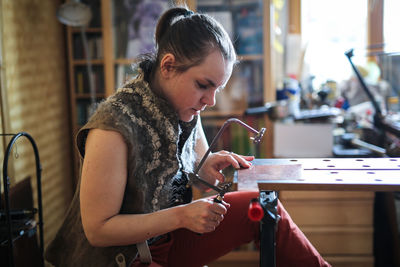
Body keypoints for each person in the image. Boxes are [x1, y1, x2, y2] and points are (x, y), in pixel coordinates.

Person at [45, 5, 331, 267]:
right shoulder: (113, 126)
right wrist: (182, 215)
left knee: (265, 208)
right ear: (168, 66)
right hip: (121, 256)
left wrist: (204, 168)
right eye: (203, 85)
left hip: (165, 238)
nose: (211, 100)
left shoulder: (185, 106)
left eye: (217, 88)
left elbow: (192, 171)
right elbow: (98, 230)